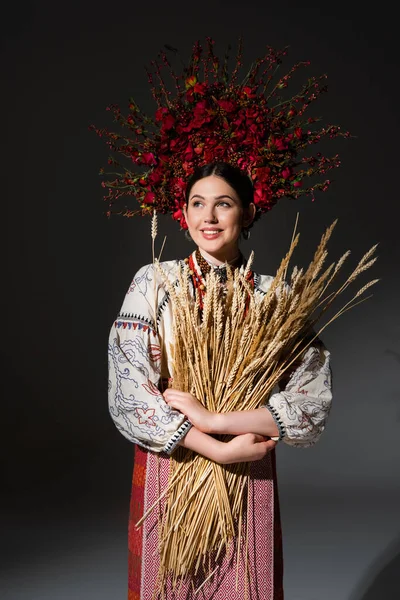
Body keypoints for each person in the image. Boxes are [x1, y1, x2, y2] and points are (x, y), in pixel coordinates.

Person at [108, 161, 333, 600]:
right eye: (198, 204)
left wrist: (215, 420)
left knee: (246, 586)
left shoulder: (277, 296)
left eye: (223, 204)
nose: (208, 217)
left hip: (248, 467)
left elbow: (311, 404)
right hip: (174, 463)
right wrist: (213, 446)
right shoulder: (155, 281)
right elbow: (129, 389)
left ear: (247, 214)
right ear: (185, 214)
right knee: (168, 586)